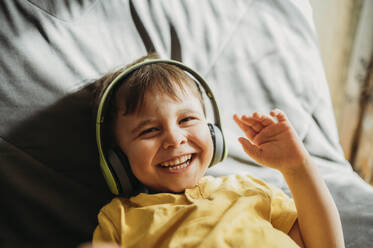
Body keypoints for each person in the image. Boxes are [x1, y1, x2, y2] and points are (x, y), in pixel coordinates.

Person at [91, 53, 345, 248]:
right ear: (117, 161)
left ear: (213, 131)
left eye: (187, 119)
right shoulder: (121, 218)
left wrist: (297, 168)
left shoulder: (250, 190)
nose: (174, 139)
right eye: (149, 131)